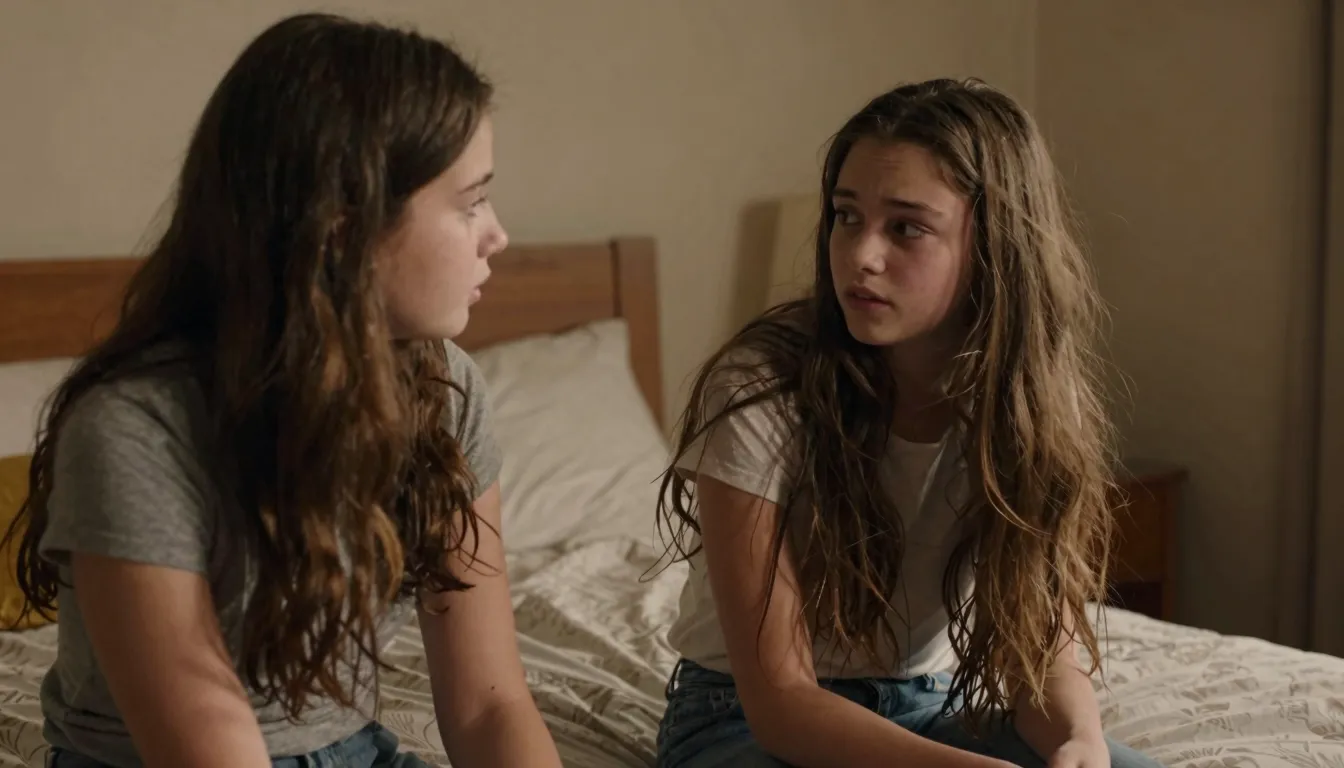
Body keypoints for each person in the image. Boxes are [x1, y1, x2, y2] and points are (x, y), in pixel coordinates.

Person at [2, 13, 562, 768]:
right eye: (470, 204)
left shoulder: (445, 386)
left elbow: (489, 704)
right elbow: (206, 738)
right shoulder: (134, 432)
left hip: (350, 750)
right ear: (341, 230)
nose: (497, 235)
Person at [653, 78, 1162, 768]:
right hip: (740, 721)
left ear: (994, 245)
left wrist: (1081, 742)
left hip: (927, 706)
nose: (860, 255)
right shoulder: (760, 388)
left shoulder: (1027, 401)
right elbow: (781, 702)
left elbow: (1041, 649)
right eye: (846, 216)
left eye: (906, 227)